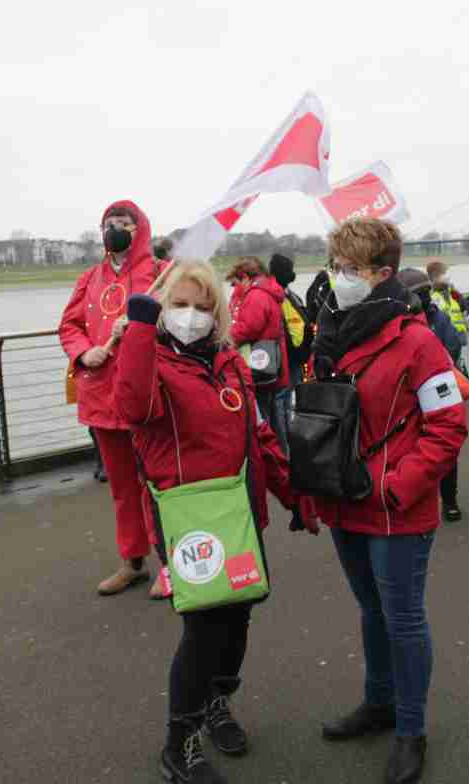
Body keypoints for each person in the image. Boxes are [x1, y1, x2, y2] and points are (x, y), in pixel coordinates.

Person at [115, 261, 305, 784]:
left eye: (203, 307)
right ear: (162, 309)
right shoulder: (149, 362)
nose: (192, 317)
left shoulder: (229, 362)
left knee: (239, 617)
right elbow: (131, 406)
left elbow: (260, 434)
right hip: (191, 523)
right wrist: (137, 326)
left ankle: (218, 703)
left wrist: (293, 495)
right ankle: (180, 742)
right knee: (203, 630)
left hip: (241, 515)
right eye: (180, 305)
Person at [311, 218, 467, 784]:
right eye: (335, 266)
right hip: (344, 501)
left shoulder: (418, 341)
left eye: (349, 269)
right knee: (371, 609)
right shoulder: (332, 332)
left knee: (402, 618)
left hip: (394, 507)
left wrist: (399, 485)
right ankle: (378, 704)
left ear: (382, 274)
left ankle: (410, 728)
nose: (339, 278)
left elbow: (448, 426)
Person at [59, 200, 165, 598]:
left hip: (146, 395)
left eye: (123, 223)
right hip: (101, 396)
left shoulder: (160, 274)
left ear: (141, 230)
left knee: (156, 483)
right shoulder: (89, 278)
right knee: (122, 486)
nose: (114, 229)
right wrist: (85, 351)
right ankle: (133, 561)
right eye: (108, 223)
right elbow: (69, 325)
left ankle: (170, 561)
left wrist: (141, 328)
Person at [399, 267, 464, 522]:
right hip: (409, 397)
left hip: (438, 389)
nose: (424, 297)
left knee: (445, 447)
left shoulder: (439, 318)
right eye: (418, 292)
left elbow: (454, 346)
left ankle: (449, 500)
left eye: (426, 291)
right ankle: (417, 498)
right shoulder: (397, 322)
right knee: (415, 450)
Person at [226, 258, 290, 431]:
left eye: (235, 283)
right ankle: (283, 453)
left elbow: (247, 328)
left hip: (258, 364)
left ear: (245, 277)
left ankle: (272, 454)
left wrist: (223, 338)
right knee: (274, 415)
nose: (235, 289)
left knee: (262, 417)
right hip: (270, 363)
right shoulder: (267, 292)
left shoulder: (256, 295)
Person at [268, 253, 311, 454]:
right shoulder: (277, 297)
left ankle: (290, 444)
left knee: (289, 403)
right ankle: (285, 448)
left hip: (294, 358)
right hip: (284, 359)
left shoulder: (288, 295)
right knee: (283, 403)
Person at [424, 261, 469, 346]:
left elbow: (463, 307)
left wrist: (456, 293)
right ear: (435, 277)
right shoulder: (430, 295)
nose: (447, 277)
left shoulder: (451, 292)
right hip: (443, 337)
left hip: (459, 334)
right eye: (444, 273)